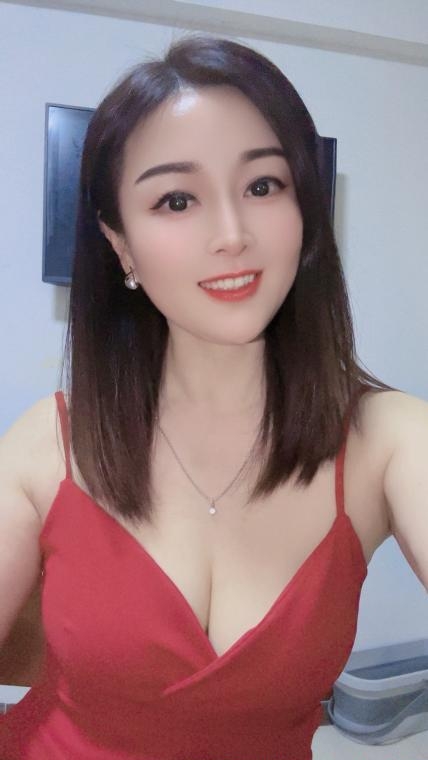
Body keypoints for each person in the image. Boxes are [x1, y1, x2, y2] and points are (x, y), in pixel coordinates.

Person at [0, 33, 427, 760]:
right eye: (176, 199)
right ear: (121, 245)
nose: (232, 235)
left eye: (263, 186)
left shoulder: (389, 438)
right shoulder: (50, 443)